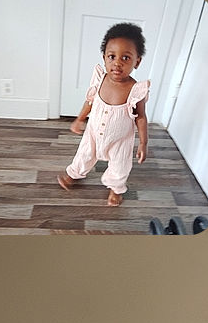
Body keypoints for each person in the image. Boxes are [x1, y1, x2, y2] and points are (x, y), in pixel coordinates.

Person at [57, 23, 150, 206]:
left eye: (125, 58)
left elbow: (141, 117)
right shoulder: (100, 79)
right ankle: (74, 174)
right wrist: (79, 119)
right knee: (84, 154)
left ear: (137, 61)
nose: (117, 63)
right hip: (93, 131)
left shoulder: (136, 90)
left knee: (120, 166)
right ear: (104, 57)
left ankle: (115, 188)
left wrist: (143, 143)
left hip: (120, 139)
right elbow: (90, 101)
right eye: (112, 56)